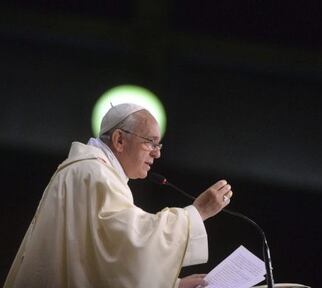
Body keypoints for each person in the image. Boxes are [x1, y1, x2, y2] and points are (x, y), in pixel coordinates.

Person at [4, 103, 233, 288]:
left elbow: (100, 263)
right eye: (150, 143)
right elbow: (131, 240)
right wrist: (197, 213)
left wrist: (174, 284)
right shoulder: (94, 174)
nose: (157, 153)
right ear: (119, 140)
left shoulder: (88, 170)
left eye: (159, 145)